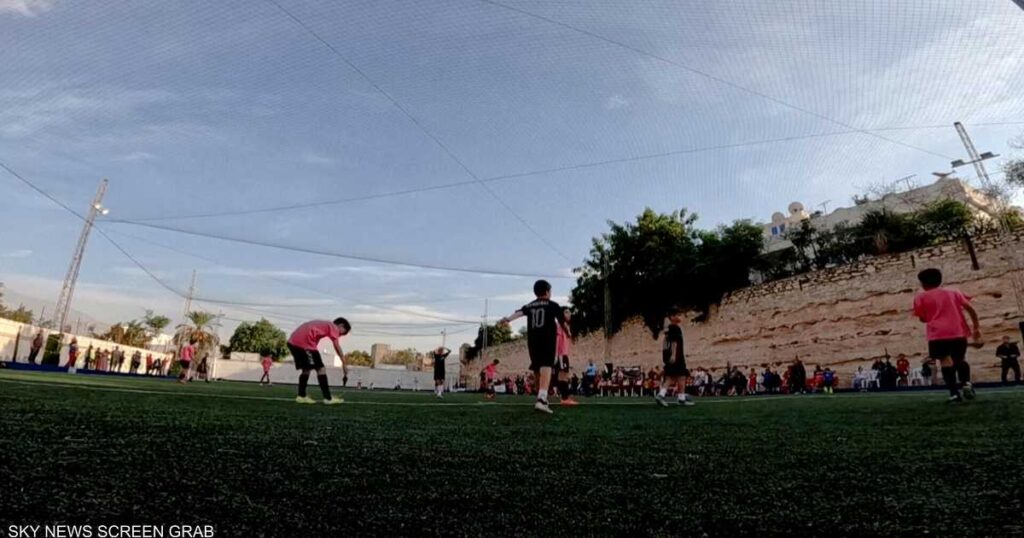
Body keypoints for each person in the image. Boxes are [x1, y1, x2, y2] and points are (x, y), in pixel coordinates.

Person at [497, 279, 567, 414]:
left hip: (533, 340)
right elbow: (562, 321)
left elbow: (518, 313)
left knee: (537, 368)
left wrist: (507, 320)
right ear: (547, 291)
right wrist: (567, 332)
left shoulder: (530, 305)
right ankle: (542, 399)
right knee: (546, 366)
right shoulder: (553, 305)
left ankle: (540, 396)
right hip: (547, 339)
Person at [912, 268, 982, 403]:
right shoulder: (954, 291)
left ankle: (954, 394)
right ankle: (966, 383)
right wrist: (976, 328)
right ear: (940, 280)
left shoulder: (920, 297)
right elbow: (971, 309)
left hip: (937, 334)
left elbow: (923, 319)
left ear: (922, 283)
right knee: (960, 359)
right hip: (958, 331)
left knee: (945, 362)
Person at [287, 317, 350, 405]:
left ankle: (301, 396)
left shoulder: (323, 325)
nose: (339, 336)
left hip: (293, 342)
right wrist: (344, 363)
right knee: (321, 369)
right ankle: (328, 398)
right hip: (304, 343)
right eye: (342, 333)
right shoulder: (333, 327)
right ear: (341, 325)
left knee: (306, 369)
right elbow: (337, 346)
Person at [655, 306, 694, 407]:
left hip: (669, 356)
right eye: (678, 315)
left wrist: (666, 356)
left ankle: (667, 395)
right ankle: (668, 396)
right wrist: (673, 355)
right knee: (680, 376)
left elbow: (665, 343)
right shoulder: (675, 328)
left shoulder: (669, 330)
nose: (680, 316)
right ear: (672, 317)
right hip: (676, 356)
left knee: (672, 376)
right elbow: (674, 343)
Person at [553, 307, 579, 406]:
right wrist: (557, 357)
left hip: (565, 355)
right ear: (562, 314)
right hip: (561, 355)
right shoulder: (560, 326)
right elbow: (557, 342)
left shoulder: (566, 326)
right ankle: (564, 398)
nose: (569, 314)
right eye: (567, 312)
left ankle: (564, 397)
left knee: (565, 376)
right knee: (563, 376)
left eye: (570, 312)